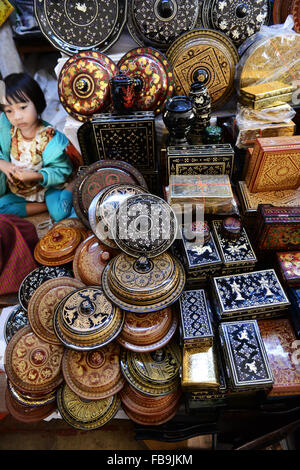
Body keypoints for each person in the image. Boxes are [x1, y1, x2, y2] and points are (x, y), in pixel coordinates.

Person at [0, 72, 78, 222]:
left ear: (37, 102)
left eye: (23, 107)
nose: (17, 116)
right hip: (22, 191)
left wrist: (37, 175)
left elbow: (61, 170)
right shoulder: (6, 129)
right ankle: (44, 206)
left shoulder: (50, 138)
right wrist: (2, 163)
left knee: (60, 213)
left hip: (48, 187)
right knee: (1, 207)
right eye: (9, 110)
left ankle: (73, 185)